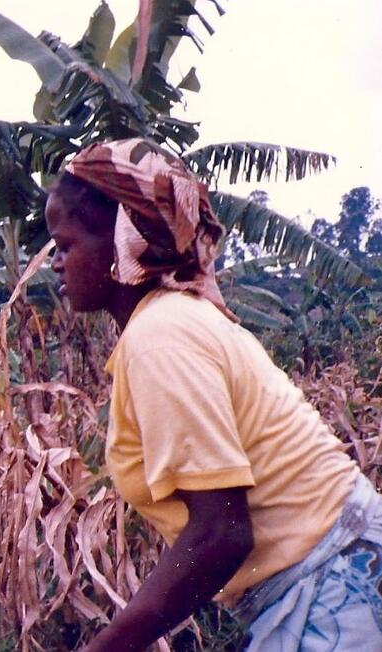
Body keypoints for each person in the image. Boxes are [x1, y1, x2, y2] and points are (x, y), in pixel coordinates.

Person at [45, 137, 382, 651]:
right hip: (333, 571)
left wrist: (104, 647)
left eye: (66, 245)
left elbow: (222, 533)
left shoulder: (160, 337)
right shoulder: (171, 321)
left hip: (332, 579)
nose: (54, 263)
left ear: (121, 242)